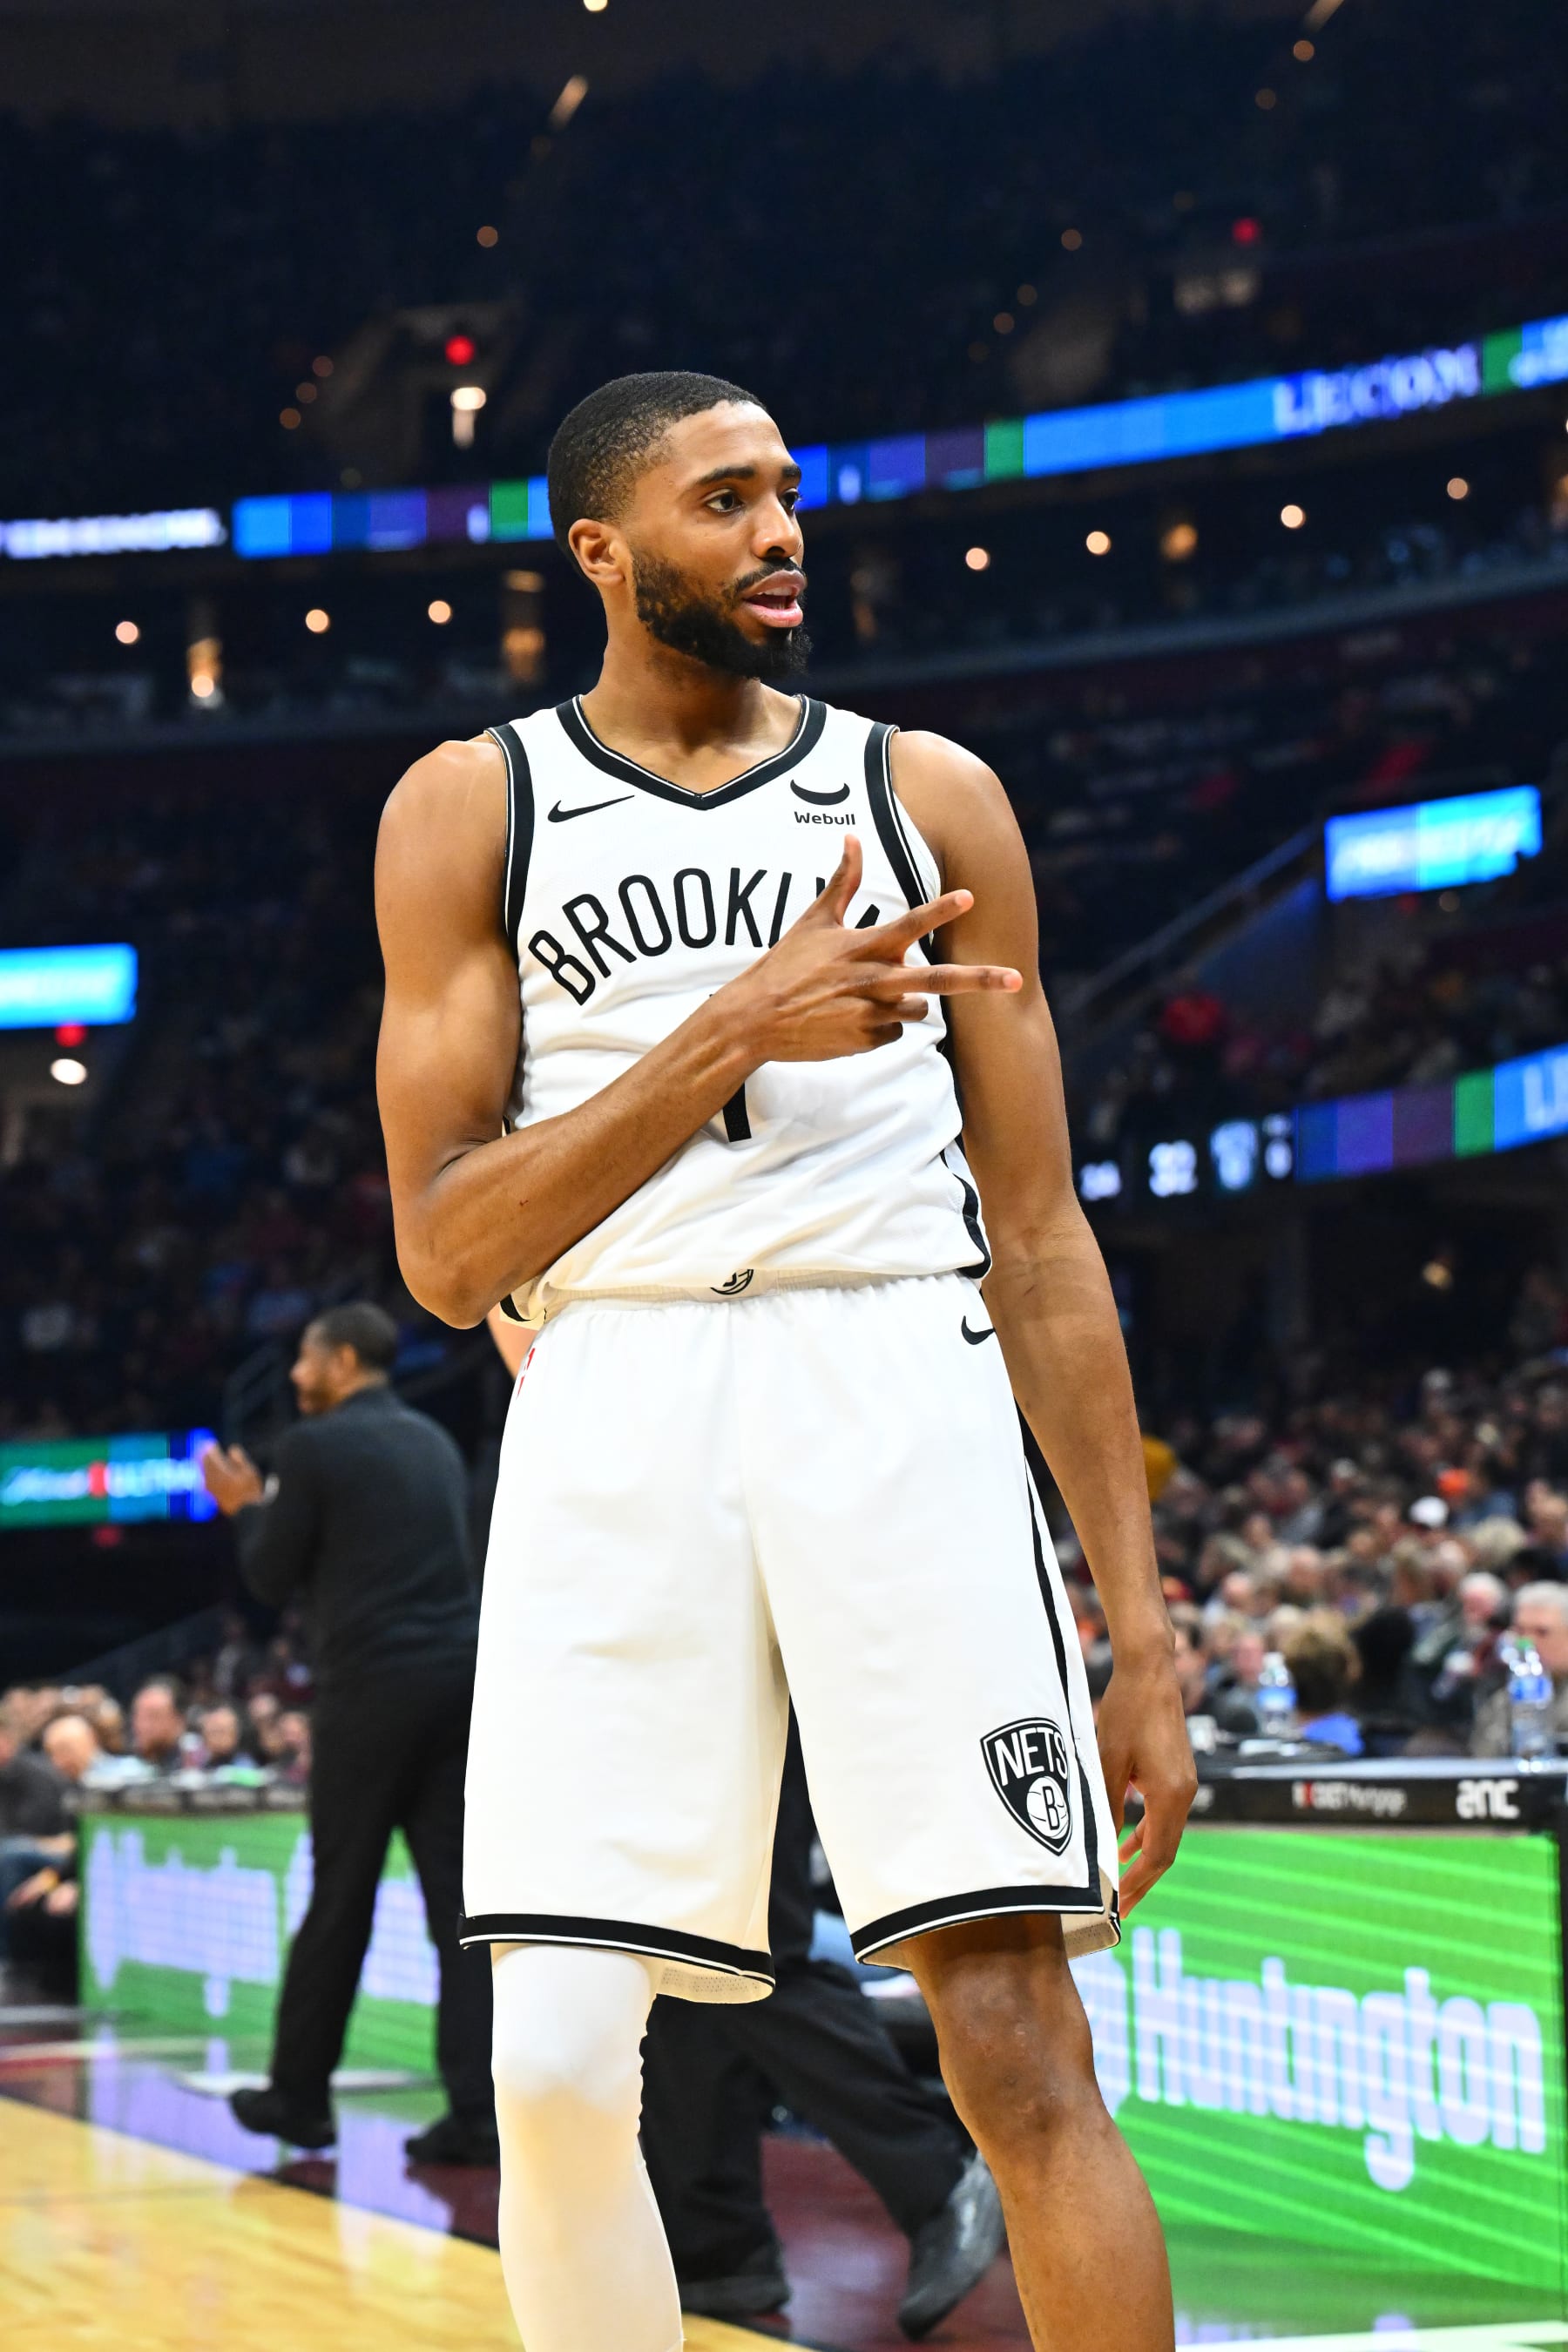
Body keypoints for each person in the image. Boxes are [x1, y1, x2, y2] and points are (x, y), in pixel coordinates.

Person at [375, 370, 1193, 2352]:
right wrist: (729, 1028)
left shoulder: (932, 795)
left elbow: (1042, 1236)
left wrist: (1144, 1627)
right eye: (726, 500)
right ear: (601, 549)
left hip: (891, 1368)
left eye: (787, 496)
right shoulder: (474, 803)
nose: (780, 534)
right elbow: (447, 1255)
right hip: (618, 1386)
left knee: (1016, 2041)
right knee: (554, 2057)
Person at [485, 1308, 1004, 2337]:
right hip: (641, 1624)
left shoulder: (730, 1310)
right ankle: (722, 2244)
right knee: (661, 1960)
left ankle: (936, 2174)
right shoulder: (585, 1348)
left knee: (765, 1952)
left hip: (753, 1597)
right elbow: (523, 1339)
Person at [200, 1301, 495, 2164]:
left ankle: (299, 2098)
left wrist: (247, 1508)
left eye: (304, 1357)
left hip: (372, 1690)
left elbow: (269, 1576)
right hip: (459, 1686)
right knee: (458, 1912)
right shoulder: (434, 1442)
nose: (294, 1376)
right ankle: (479, 2114)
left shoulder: (312, 1448)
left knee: (340, 1898)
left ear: (340, 1361)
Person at [1471, 1584, 1568, 1756]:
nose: (1527, 1642)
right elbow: (1482, 1760)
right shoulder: (1503, 1700)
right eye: (1520, 1631)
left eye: (1542, 1632)